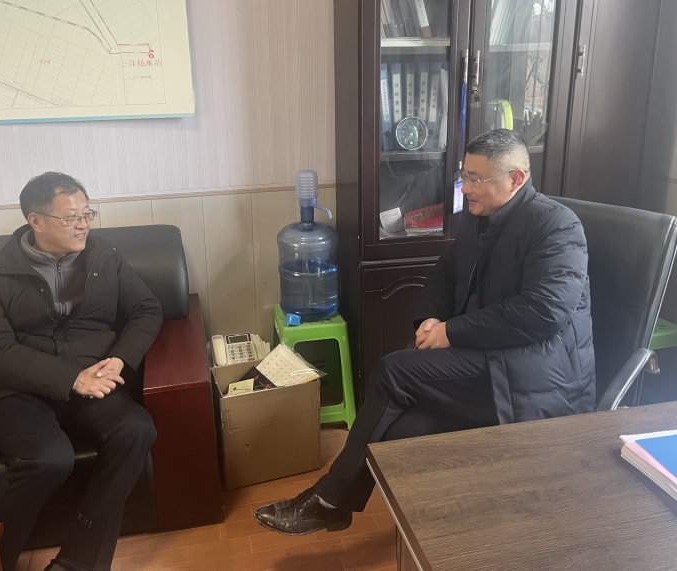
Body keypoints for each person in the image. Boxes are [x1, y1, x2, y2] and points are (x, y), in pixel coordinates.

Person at [254, 129, 596, 535]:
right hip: (490, 355)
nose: (465, 188)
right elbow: (445, 274)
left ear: (516, 179)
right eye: (464, 176)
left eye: (476, 179)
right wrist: (429, 321)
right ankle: (433, 530)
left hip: (539, 376)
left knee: (394, 372)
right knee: (402, 428)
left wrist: (452, 332)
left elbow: (543, 312)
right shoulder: (478, 217)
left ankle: (330, 500)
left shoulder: (556, 225)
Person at [0, 172, 163, 571]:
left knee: (136, 428)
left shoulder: (104, 256)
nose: (84, 225)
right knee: (48, 459)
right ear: (35, 221)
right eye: (72, 217)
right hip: (17, 389)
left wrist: (120, 358)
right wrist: (71, 379)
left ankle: (77, 562)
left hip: (92, 382)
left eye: (87, 214)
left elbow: (147, 309)